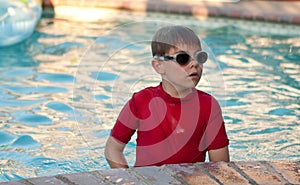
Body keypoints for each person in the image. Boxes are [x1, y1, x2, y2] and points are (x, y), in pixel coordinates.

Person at [105, 25, 229, 168]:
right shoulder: (141, 101)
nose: (194, 64)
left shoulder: (209, 106)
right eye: (183, 58)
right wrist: (129, 181)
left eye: (199, 57)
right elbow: (113, 149)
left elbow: (220, 167)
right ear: (159, 66)